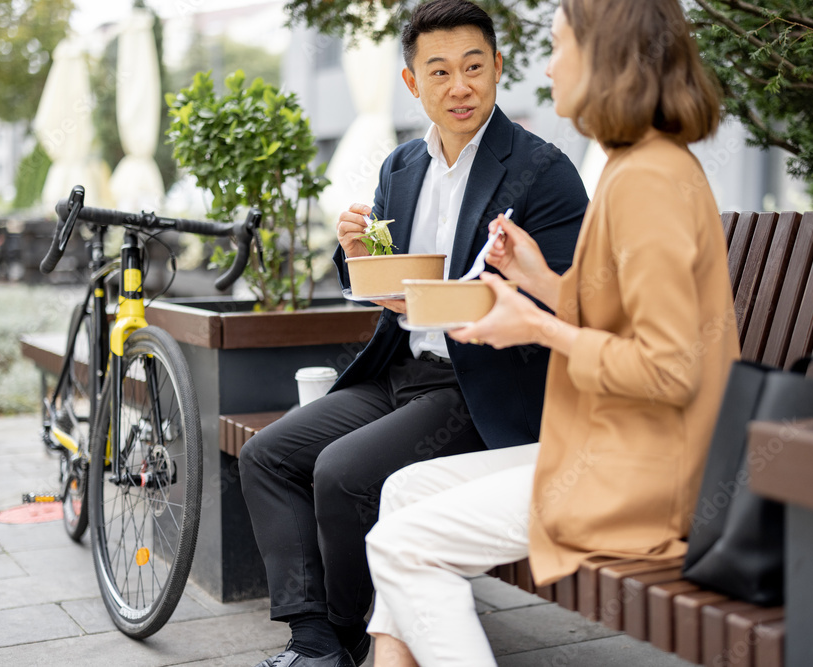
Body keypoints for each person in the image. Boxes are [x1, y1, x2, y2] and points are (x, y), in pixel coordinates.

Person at [362, 0, 740, 664]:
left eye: (562, 47)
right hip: (614, 447)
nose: (550, 64)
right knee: (403, 491)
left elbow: (671, 368)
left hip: (647, 472)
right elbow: (612, 313)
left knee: (400, 543)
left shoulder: (648, 179)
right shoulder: (632, 165)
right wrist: (537, 277)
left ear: (605, 59)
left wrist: (534, 324)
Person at [238, 1, 589, 665]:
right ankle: (313, 636)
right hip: (400, 369)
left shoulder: (543, 172)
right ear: (412, 83)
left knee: (342, 474)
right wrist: (354, 252)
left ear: (497, 69)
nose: (459, 86)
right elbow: (386, 278)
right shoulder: (401, 166)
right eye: (440, 71)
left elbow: (574, 294)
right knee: (269, 455)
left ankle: (342, 637)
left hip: (480, 387)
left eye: (474, 67)